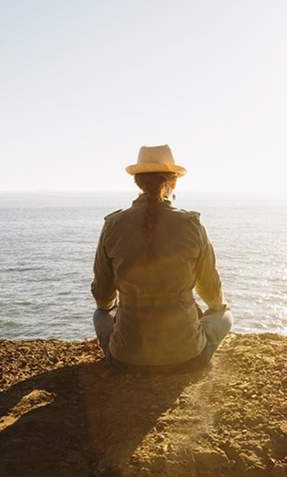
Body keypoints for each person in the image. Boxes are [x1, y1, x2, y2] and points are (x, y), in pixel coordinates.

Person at [91, 144, 232, 372]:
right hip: (186, 356)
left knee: (100, 314)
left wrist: (120, 311)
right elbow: (211, 291)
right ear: (173, 181)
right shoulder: (191, 224)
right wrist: (216, 308)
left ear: (137, 181)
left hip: (126, 359)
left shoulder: (113, 225)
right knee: (224, 315)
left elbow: (102, 297)